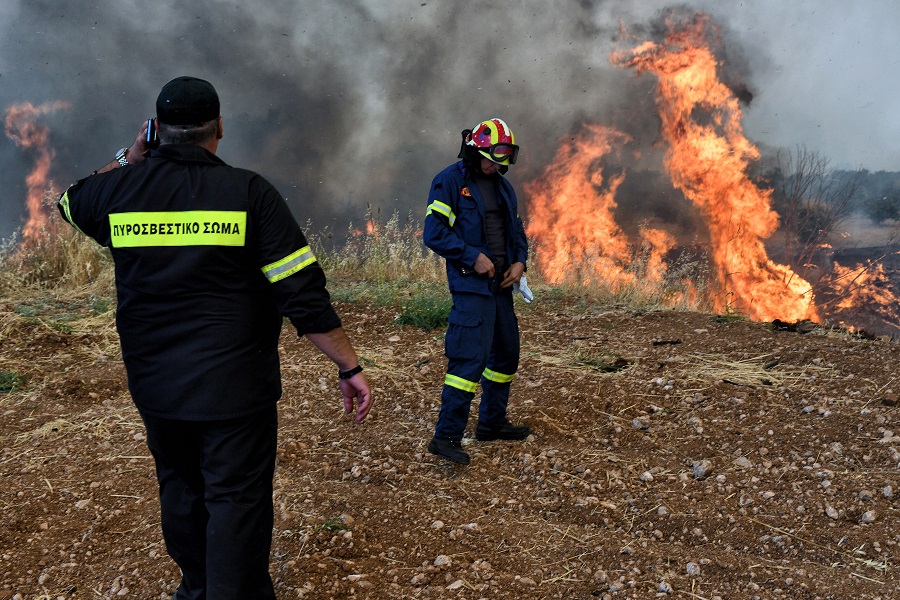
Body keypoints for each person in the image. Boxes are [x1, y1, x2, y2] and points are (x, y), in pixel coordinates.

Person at [56, 76, 373, 599]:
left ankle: (198, 587)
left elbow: (71, 201)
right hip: (234, 391)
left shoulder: (119, 192)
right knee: (235, 500)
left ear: (155, 130)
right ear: (219, 128)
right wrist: (349, 366)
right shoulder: (249, 193)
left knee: (179, 487)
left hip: (157, 387)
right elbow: (302, 295)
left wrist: (129, 157)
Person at [423, 117, 531, 465]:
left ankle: (491, 423)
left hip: (501, 287)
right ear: (474, 151)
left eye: (502, 162)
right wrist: (473, 256)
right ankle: (446, 437)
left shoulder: (503, 187)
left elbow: (517, 233)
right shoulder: (450, 182)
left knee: (506, 354)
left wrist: (519, 263)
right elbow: (433, 233)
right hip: (471, 287)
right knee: (469, 360)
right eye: (490, 160)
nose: (495, 167)